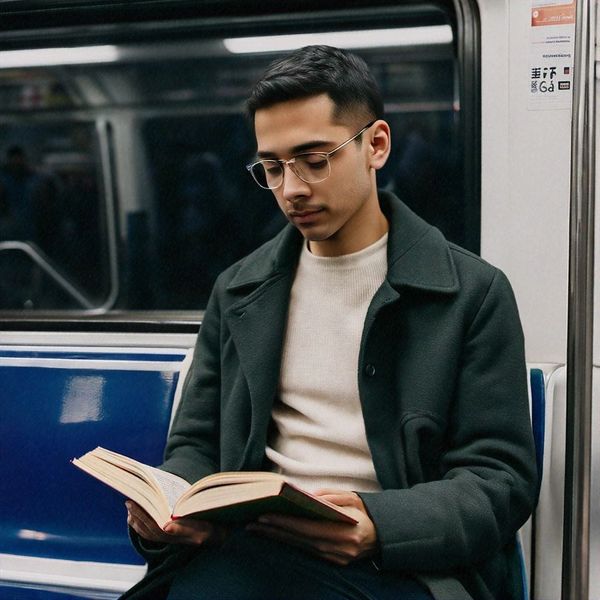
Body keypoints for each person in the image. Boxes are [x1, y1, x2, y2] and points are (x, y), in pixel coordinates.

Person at [123, 45, 538, 600]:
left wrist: (378, 526)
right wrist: (175, 507)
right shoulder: (240, 289)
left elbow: (499, 480)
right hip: (255, 546)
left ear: (377, 145)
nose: (291, 189)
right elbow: (197, 443)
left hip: (399, 564)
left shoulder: (471, 293)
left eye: (314, 159)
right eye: (271, 168)